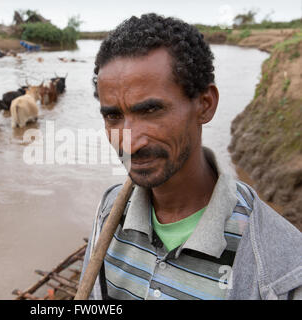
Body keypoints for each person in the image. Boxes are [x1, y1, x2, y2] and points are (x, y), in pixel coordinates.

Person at [80, 13, 302, 300]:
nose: (129, 143)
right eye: (113, 116)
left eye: (151, 111)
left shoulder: (281, 268)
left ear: (205, 106)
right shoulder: (109, 210)